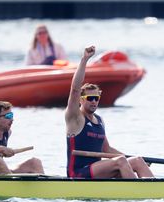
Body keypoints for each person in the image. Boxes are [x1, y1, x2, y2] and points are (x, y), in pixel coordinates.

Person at [65, 46, 153, 179]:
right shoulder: (75, 118)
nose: (94, 101)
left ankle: (156, 191)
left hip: (97, 171)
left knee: (138, 161)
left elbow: (107, 150)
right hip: (78, 173)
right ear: (81, 100)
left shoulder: (99, 120)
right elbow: (75, 89)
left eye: (96, 98)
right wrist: (84, 60)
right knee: (121, 162)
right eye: (90, 98)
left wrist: (131, 158)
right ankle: (137, 193)